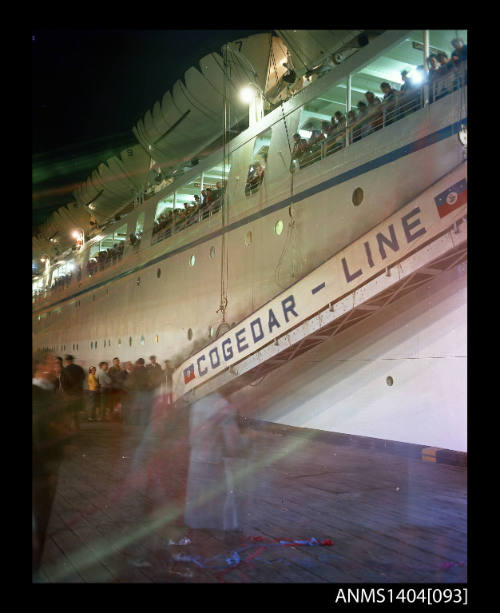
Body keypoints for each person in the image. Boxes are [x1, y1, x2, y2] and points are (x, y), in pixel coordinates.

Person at [33, 351, 76, 575]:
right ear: (40, 367)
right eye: (52, 364)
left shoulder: (51, 392)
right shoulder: (37, 394)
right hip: (40, 469)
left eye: (58, 363)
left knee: (42, 517)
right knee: (39, 517)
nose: (57, 367)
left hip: (46, 467)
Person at [61, 354, 85, 431]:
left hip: (69, 394)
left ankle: (69, 427)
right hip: (78, 393)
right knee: (76, 410)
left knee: (69, 411)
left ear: (67, 361)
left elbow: (63, 382)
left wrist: (65, 392)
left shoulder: (65, 370)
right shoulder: (79, 368)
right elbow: (83, 378)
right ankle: (77, 426)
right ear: (72, 360)